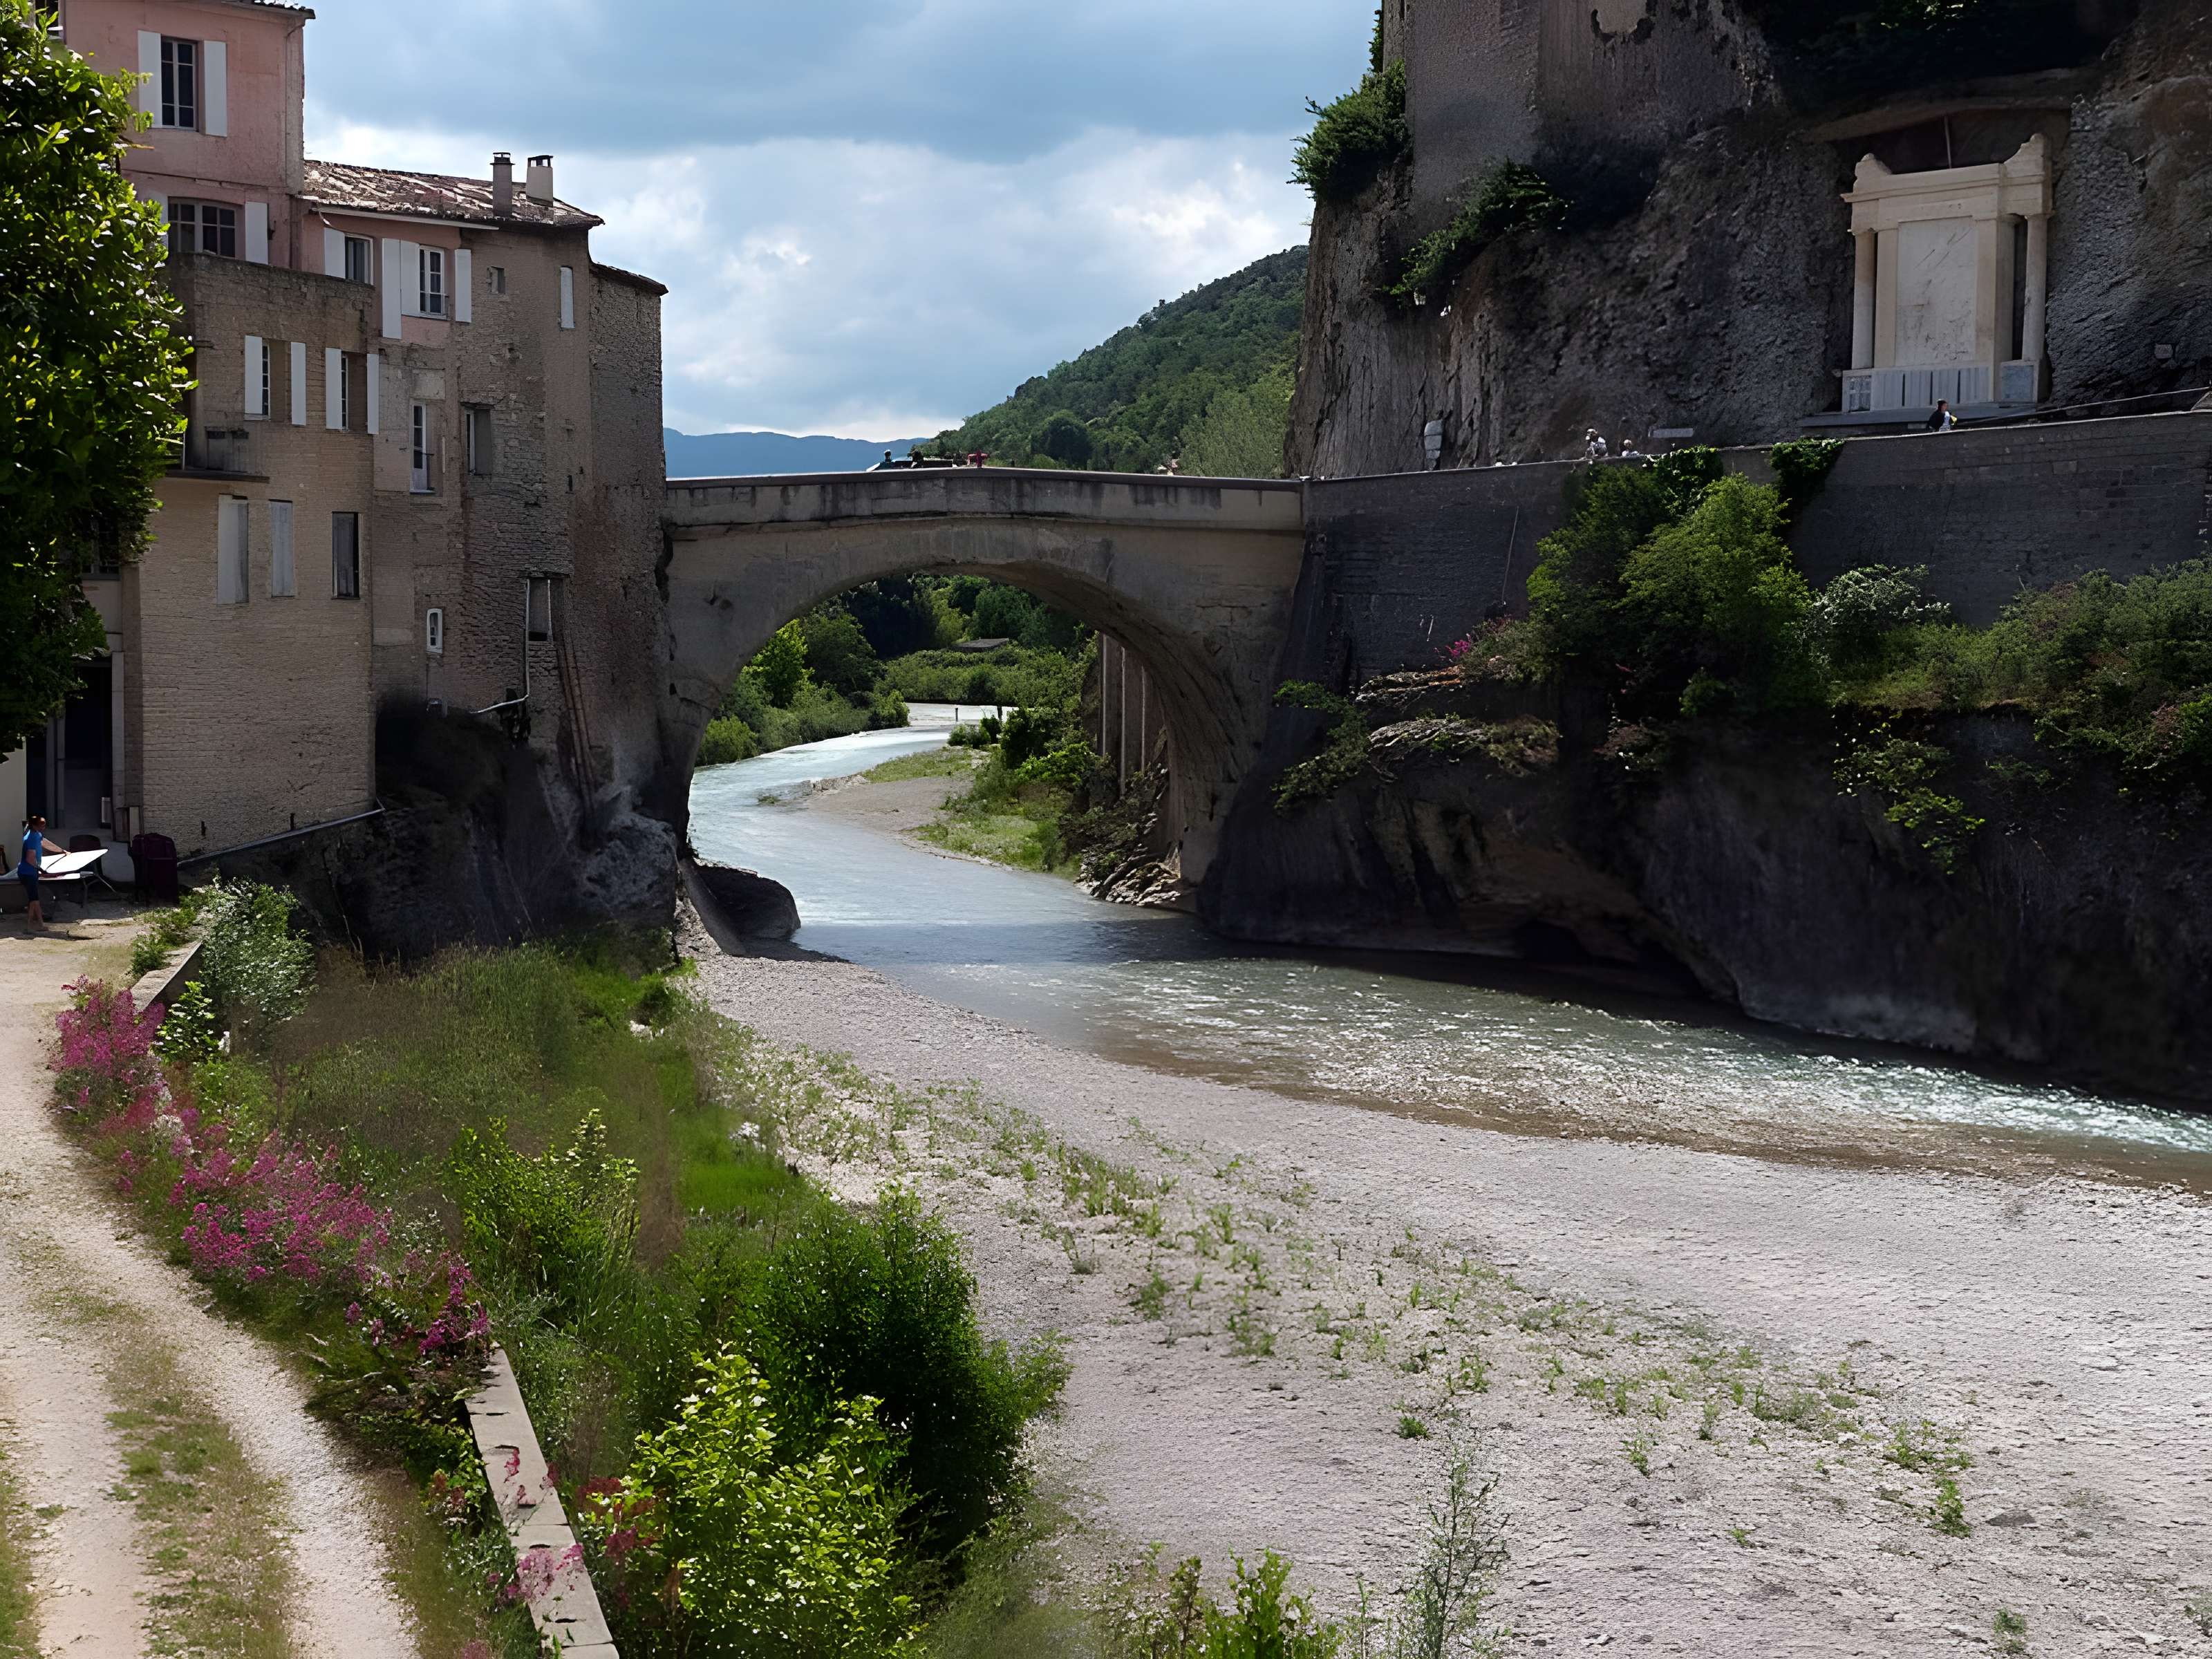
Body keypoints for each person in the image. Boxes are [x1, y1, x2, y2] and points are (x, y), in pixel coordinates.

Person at [17, 816, 65, 934]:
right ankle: (35, 925)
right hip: (27, 872)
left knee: (34, 900)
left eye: (44, 824)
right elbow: (29, 859)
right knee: (34, 900)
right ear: (34, 826)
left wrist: (62, 851)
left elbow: (46, 843)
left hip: (31, 871)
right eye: (42, 825)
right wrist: (42, 870)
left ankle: (36, 924)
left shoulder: (37, 834)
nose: (44, 827)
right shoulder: (31, 838)